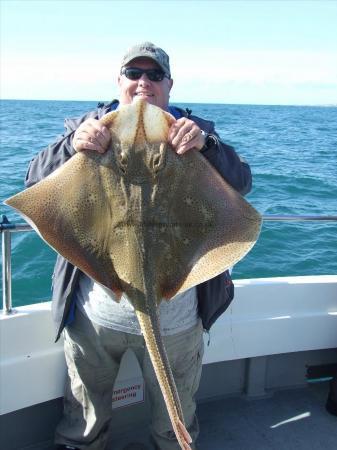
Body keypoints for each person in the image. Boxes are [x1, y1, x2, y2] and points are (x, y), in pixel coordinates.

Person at [25, 42, 252, 450]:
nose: (143, 82)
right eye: (134, 74)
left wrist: (207, 147)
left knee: (175, 419)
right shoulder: (88, 126)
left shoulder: (196, 133)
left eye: (154, 75)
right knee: (84, 422)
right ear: (119, 81)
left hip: (178, 318)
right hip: (96, 316)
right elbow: (34, 181)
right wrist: (71, 145)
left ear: (169, 84)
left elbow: (241, 184)